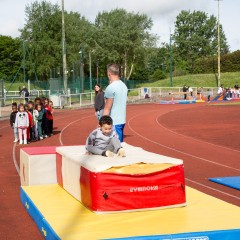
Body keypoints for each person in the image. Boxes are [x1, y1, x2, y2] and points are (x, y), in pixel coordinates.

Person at [103, 63, 128, 142]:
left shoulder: (111, 87)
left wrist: (102, 123)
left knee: (115, 148)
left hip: (113, 122)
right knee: (119, 146)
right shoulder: (124, 85)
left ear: (108, 73)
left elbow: (107, 108)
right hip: (121, 120)